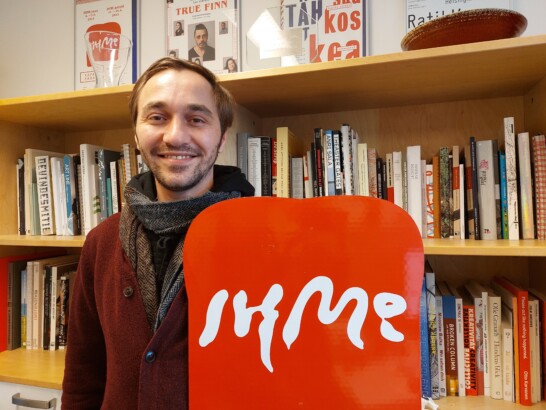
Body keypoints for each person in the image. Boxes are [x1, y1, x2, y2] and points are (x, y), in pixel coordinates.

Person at [61, 56, 254, 409]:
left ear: (222, 136)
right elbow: (82, 378)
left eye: (196, 119)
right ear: (136, 133)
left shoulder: (263, 238)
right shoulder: (102, 242)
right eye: (157, 117)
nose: (175, 135)